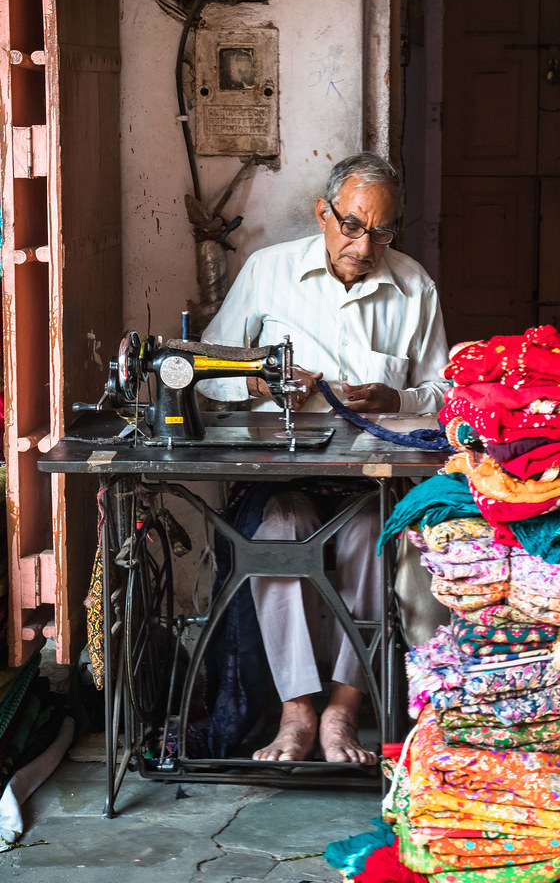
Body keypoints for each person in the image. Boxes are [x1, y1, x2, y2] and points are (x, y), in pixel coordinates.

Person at [198, 152, 448, 763]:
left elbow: (447, 395)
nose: (365, 247)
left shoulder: (414, 287)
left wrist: (399, 396)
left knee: (368, 532)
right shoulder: (267, 271)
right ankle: (297, 711)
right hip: (278, 473)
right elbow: (206, 369)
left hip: (369, 481)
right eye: (354, 226)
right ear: (323, 213)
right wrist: (256, 384)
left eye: (383, 232)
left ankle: (342, 708)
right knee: (281, 528)